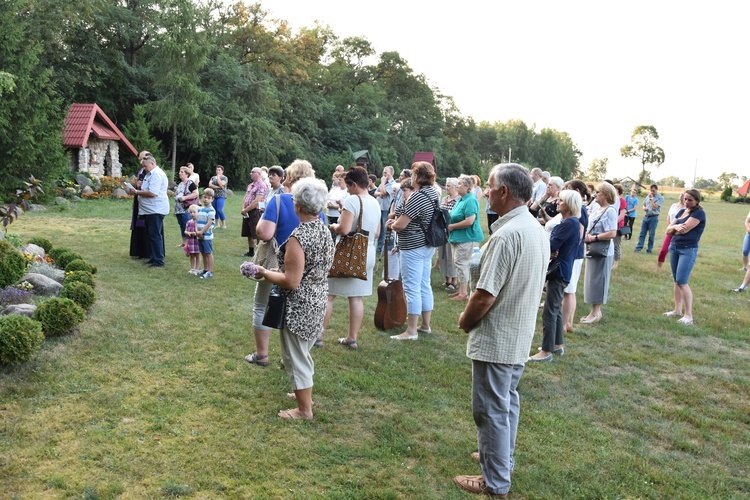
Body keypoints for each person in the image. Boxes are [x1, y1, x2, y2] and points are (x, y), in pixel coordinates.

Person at [453, 163, 549, 498]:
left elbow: (483, 296)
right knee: (505, 403)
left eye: (490, 187)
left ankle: (495, 483)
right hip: (518, 334)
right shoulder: (534, 227)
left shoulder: (507, 234)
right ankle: (500, 459)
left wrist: (464, 321)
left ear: (504, 191)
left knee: (491, 410)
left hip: (499, 337)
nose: (485, 193)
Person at [250, 177, 335, 420]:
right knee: (302, 352)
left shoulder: (299, 237)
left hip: (300, 304)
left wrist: (264, 272)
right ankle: (302, 394)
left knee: (295, 357)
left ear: (297, 205)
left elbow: (291, 281)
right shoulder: (323, 230)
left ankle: (304, 410)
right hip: (318, 297)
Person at [245, 160, 320, 368]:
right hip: (303, 267)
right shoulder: (316, 207)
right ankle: (290, 358)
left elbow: (264, 233)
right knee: (295, 312)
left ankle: (262, 354)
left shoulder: (278, 201)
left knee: (262, 305)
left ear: (288, 177)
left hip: (275, 263)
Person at [323, 167, 381, 349]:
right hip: (368, 252)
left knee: (328, 294)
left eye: (348, 186)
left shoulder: (352, 200)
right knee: (356, 297)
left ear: (354, 185)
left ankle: (317, 335)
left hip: (349, 253)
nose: (347, 190)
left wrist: (333, 226)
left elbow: (345, 229)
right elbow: (377, 231)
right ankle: (352, 338)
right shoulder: (374, 201)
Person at [529, 189, 583, 362]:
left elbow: (551, 245)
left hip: (558, 270)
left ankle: (546, 351)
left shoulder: (568, 224)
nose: (557, 203)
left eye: (560, 200)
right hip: (563, 269)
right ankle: (557, 344)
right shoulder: (573, 222)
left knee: (549, 311)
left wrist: (549, 249)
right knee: (556, 309)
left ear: (569, 204)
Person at [387, 161, 438, 340]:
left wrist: (392, 224)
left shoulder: (418, 196)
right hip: (427, 245)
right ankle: (425, 325)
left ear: (417, 176)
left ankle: (411, 331)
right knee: (425, 284)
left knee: (411, 288)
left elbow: (401, 224)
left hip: (413, 246)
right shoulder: (433, 193)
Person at [663, 189, 706, 325]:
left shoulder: (699, 213)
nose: (686, 202)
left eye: (690, 200)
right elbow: (667, 230)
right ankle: (677, 310)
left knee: (682, 281)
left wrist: (673, 227)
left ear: (697, 201)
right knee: (676, 281)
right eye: (685, 199)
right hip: (674, 247)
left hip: (687, 250)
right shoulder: (682, 212)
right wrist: (675, 226)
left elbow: (685, 229)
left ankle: (689, 316)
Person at [581, 182, 618, 324]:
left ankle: (596, 313)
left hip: (602, 250)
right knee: (592, 280)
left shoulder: (610, 211)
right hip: (593, 249)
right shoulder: (598, 208)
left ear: (606, 195)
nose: (595, 194)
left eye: (598, 192)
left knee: (599, 280)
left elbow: (612, 232)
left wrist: (594, 238)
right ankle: (594, 311)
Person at [128, 153, 169, 267]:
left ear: (152, 163)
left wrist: (136, 192)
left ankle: (158, 260)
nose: (144, 168)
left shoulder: (156, 174)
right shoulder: (149, 174)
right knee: (150, 234)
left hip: (155, 209)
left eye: (145, 166)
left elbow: (153, 193)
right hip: (148, 210)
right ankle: (153, 256)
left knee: (155, 235)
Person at [448, 175, 484, 301]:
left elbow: (469, 221)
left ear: (467, 186)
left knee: (463, 263)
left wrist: (451, 227)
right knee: (459, 263)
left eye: (459, 184)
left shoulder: (471, 200)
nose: (457, 186)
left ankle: (464, 293)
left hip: (468, 237)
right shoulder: (461, 199)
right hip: (459, 237)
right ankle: (462, 290)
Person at [561, 180, 589, 333]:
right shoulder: (579, 209)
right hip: (573, 253)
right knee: (569, 289)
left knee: (569, 290)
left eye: (568, 189)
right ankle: (568, 322)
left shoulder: (581, 210)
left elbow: (579, 234)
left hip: (575, 254)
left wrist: (569, 251)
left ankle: (566, 324)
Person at [437, 178, 459, 291]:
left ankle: (454, 281)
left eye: (449, 185)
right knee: (443, 255)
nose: (446, 187)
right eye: (446, 185)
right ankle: (447, 279)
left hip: (453, 231)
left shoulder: (458, 200)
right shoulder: (444, 199)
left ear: (456, 187)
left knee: (451, 256)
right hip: (442, 231)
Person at [241, 167, 267, 257]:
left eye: (253, 172)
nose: (250, 174)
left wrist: (246, 209)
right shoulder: (250, 185)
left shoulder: (262, 185)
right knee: (248, 232)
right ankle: (251, 251)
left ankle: (260, 252)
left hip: (255, 211)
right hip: (247, 211)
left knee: (257, 232)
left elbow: (257, 201)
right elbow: (245, 197)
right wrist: (243, 209)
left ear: (259, 174)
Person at [129, 151, 151, 259]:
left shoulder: (151, 172)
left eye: (142, 159)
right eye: (140, 160)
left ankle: (146, 251)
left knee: (145, 226)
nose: (141, 162)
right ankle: (138, 250)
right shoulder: (141, 171)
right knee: (138, 225)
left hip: (147, 203)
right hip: (139, 199)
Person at [657, 193, 685, 269]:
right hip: (670, 230)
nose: (681, 195)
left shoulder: (686, 208)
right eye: (681, 194)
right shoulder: (673, 205)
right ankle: (659, 268)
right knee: (663, 250)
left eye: (684, 194)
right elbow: (668, 217)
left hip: (680, 233)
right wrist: (669, 228)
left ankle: (676, 270)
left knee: (677, 252)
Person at [635, 184, 665, 253]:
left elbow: (655, 207)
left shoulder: (660, 198)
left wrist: (651, 199)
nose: (652, 192)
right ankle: (638, 248)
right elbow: (644, 204)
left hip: (653, 218)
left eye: (653, 191)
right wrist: (644, 208)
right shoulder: (648, 196)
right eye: (651, 190)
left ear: (657, 190)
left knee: (651, 235)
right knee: (642, 233)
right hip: (646, 217)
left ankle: (649, 249)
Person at [174, 166, 199, 247]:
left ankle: (190, 243)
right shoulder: (181, 183)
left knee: (187, 225)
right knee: (182, 225)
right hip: (179, 209)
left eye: (182, 172)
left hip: (186, 209)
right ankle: (184, 242)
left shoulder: (190, 183)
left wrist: (185, 198)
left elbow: (196, 193)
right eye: (179, 172)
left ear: (187, 174)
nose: (179, 173)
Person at [195, 188, 216, 279]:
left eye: (208, 198)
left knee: (208, 253)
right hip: (200, 235)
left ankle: (210, 271)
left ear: (212, 199)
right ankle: (205, 269)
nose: (206, 199)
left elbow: (209, 223)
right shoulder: (200, 209)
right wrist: (197, 231)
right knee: (203, 252)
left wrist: (201, 232)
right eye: (204, 197)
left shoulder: (211, 210)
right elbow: (196, 220)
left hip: (206, 236)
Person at [374, 166, 394, 256]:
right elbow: (376, 193)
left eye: (386, 173)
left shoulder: (392, 184)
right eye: (383, 173)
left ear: (391, 173)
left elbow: (384, 193)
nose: (384, 175)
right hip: (379, 208)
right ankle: (379, 248)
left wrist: (382, 183)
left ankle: (385, 248)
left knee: (385, 229)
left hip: (386, 209)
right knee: (379, 228)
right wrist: (380, 192)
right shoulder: (384, 183)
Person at [611, 183, 627, 270]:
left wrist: (614, 223)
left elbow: (622, 215)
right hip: (611, 225)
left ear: (619, 191)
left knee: (616, 244)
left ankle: (616, 263)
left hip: (617, 226)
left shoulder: (622, 201)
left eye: (615, 189)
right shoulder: (611, 200)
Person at [208, 165, 228, 229]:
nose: (218, 171)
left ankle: (224, 224)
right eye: (217, 170)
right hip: (214, 195)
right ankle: (217, 224)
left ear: (222, 171)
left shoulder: (224, 178)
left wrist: (218, 178)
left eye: (219, 170)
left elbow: (221, 184)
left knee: (219, 209)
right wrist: (218, 187)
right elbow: (210, 185)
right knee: (215, 210)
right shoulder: (213, 177)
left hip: (221, 195)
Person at [184, 205, 201, 274]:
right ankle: (192, 268)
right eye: (190, 212)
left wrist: (195, 233)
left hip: (197, 241)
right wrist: (188, 232)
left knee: (197, 255)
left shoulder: (199, 222)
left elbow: (200, 231)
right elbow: (185, 231)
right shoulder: (189, 222)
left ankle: (197, 269)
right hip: (191, 242)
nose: (192, 214)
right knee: (192, 255)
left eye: (194, 212)